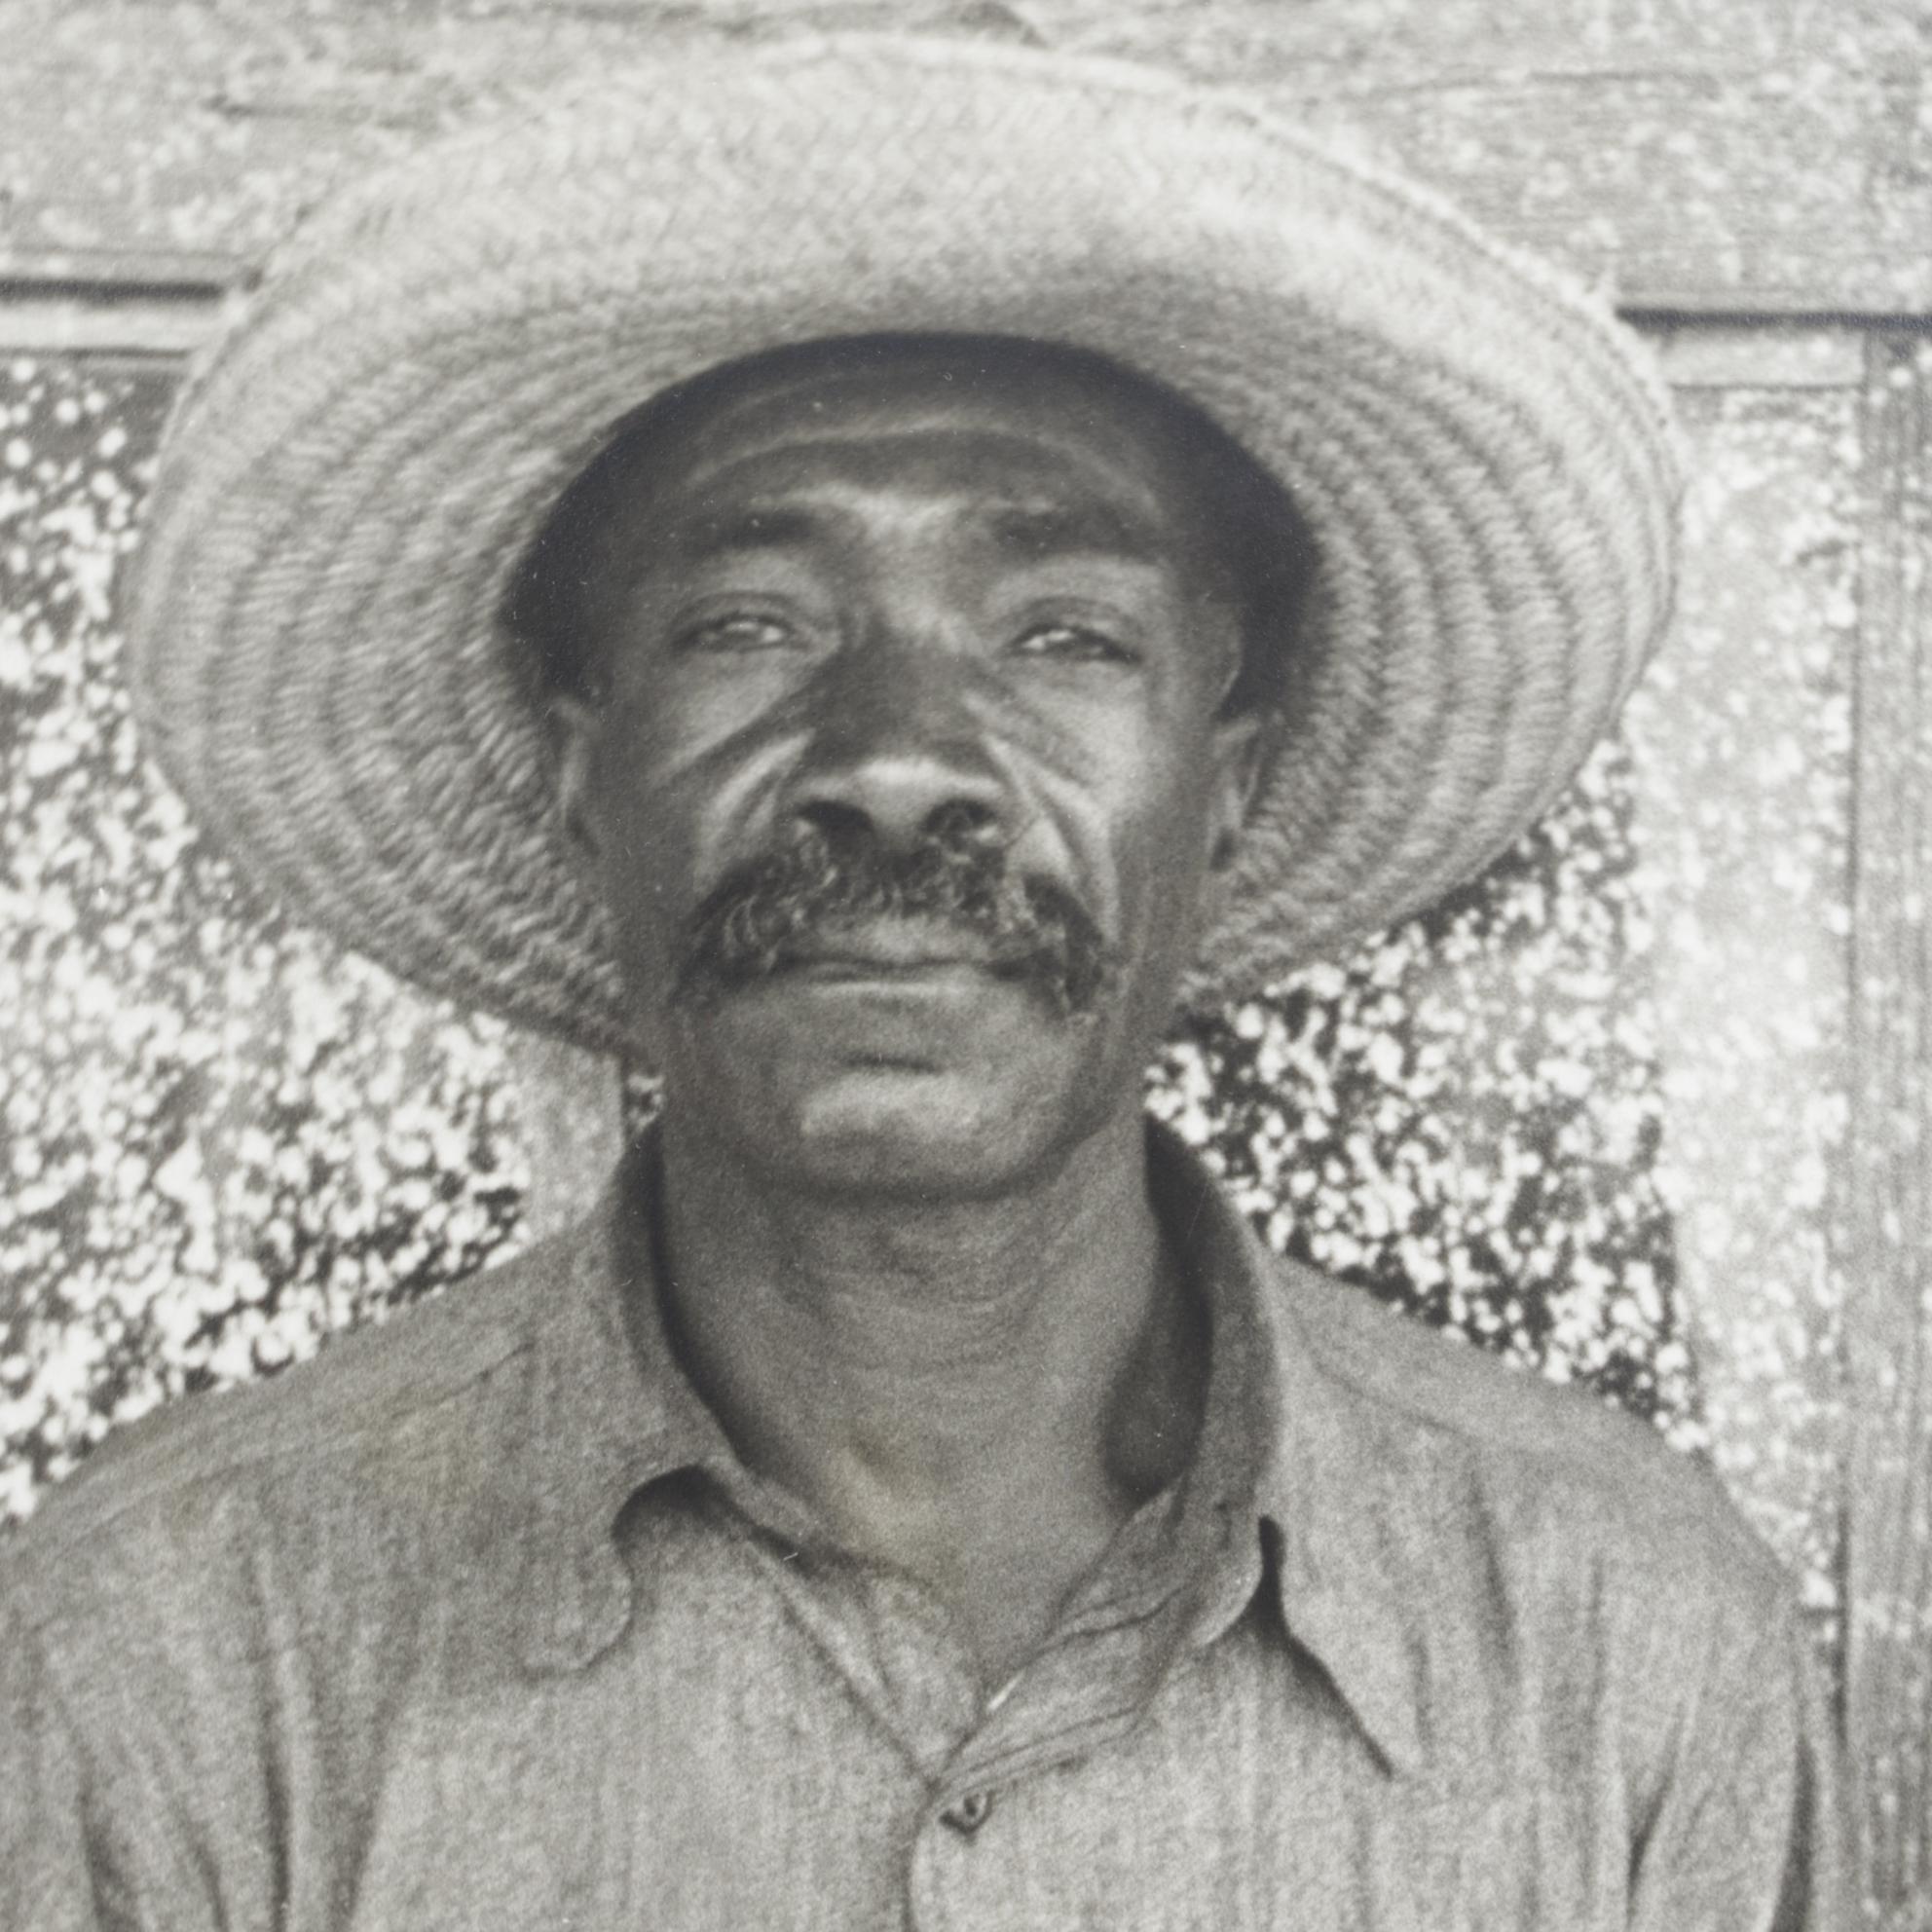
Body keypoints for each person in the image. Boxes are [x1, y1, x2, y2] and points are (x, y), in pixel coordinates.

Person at [1, 32, 1840, 1930]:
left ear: (1225, 779)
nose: (894, 759)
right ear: (579, 763)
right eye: (747, 623)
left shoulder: (1623, 1643)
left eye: (1058, 631)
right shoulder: (173, 1654)